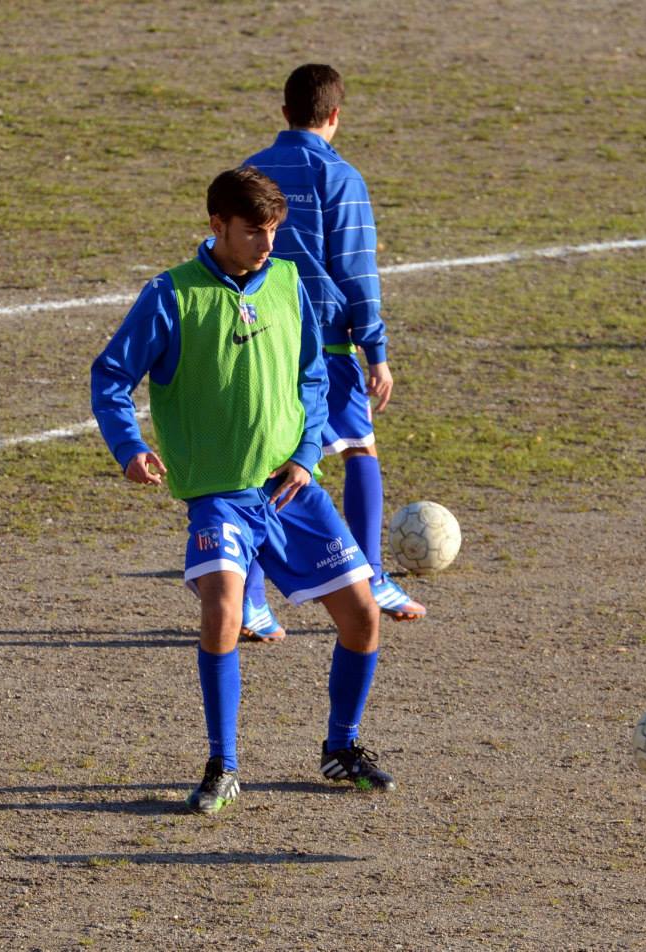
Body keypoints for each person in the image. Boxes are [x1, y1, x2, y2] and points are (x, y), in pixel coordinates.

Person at [90, 166, 396, 814]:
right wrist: (129, 447)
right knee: (224, 612)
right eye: (254, 232)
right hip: (221, 496)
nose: (267, 244)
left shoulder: (286, 281)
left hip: (290, 489)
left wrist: (307, 456)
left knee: (363, 615)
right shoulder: (172, 295)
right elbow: (111, 376)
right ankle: (222, 765)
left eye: (274, 231)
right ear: (217, 225)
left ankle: (341, 747)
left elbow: (313, 376)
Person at [239, 63, 425, 642]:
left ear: (284, 111)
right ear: (336, 115)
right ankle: (372, 577)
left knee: (263, 463)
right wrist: (376, 351)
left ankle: (247, 601)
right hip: (322, 342)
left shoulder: (251, 172)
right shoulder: (340, 176)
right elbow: (356, 270)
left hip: (258, 339)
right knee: (360, 448)